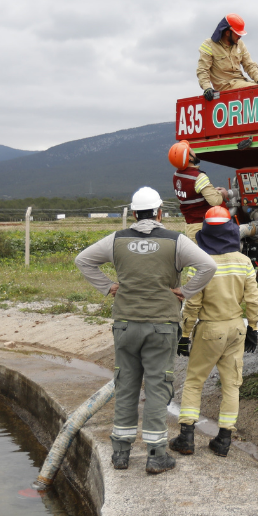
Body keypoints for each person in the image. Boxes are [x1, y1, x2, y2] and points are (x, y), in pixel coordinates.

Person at [74, 187, 217, 475]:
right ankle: (155, 454)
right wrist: (186, 291)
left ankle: (121, 453)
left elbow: (83, 260)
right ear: (159, 212)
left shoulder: (117, 239)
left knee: (125, 385)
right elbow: (208, 265)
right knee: (156, 387)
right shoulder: (174, 241)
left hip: (125, 324)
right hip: (161, 326)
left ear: (134, 212)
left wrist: (107, 286)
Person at [170, 206, 258, 458]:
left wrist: (185, 335)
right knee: (232, 385)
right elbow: (253, 300)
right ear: (231, 231)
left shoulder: (200, 264)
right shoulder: (244, 262)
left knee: (194, 382)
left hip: (209, 329)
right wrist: (253, 328)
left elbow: (193, 304)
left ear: (206, 233)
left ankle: (186, 437)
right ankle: (223, 440)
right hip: (236, 328)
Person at [197, 14, 258, 100]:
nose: (240, 36)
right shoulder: (209, 45)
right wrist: (207, 88)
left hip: (241, 82)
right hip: (226, 86)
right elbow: (203, 70)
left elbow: (249, 65)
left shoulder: (239, 44)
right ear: (227, 32)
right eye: (237, 33)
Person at [168, 141, 224, 240]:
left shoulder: (176, 176)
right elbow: (216, 201)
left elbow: (192, 193)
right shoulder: (198, 177)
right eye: (191, 151)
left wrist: (209, 191)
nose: (194, 152)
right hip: (202, 228)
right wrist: (222, 193)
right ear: (189, 158)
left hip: (190, 227)